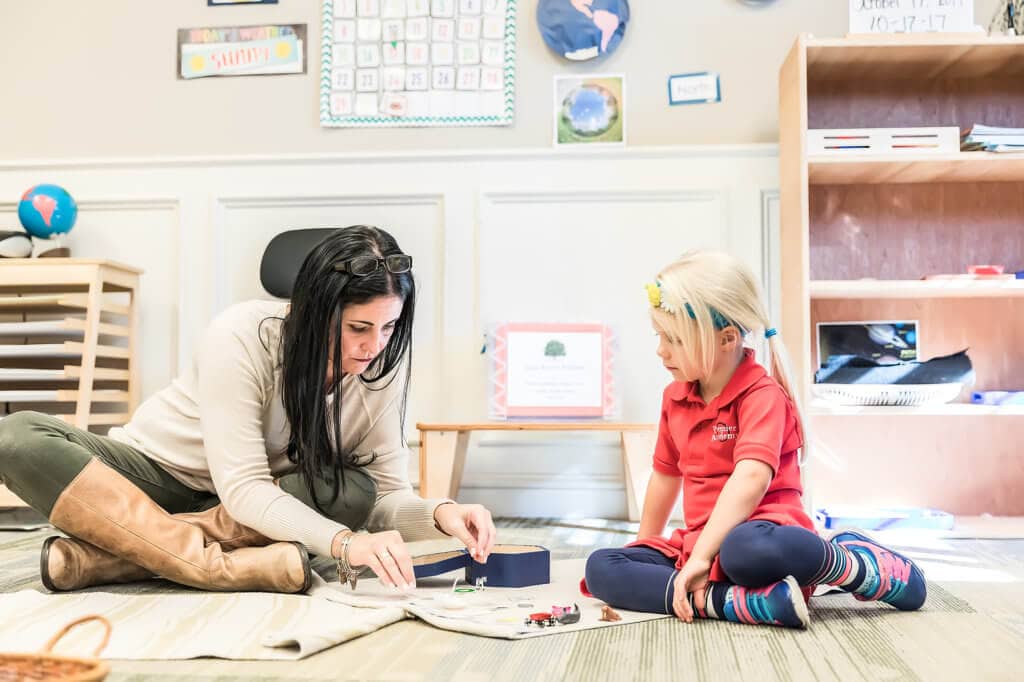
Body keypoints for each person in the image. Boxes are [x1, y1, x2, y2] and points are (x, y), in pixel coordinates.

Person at [0, 225, 495, 593]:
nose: (373, 347)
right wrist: (343, 544)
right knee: (16, 438)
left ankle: (114, 555)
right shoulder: (240, 334)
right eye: (358, 328)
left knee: (349, 491)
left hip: (250, 506)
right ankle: (227, 567)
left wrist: (442, 513)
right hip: (154, 480)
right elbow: (243, 488)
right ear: (314, 312)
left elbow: (383, 498)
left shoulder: (380, 367)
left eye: (388, 328)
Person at [583, 250, 926, 628]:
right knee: (603, 567)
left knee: (745, 553)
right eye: (660, 336)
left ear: (727, 338)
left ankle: (853, 562)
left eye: (675, 339)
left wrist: (701, 559)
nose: (661, 350)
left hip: (761, 535)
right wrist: (644, 547)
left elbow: (751, 479)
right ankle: (733, 602)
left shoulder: (762, 396)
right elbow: (665, 477)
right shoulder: (675, 397)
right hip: (700, 544)